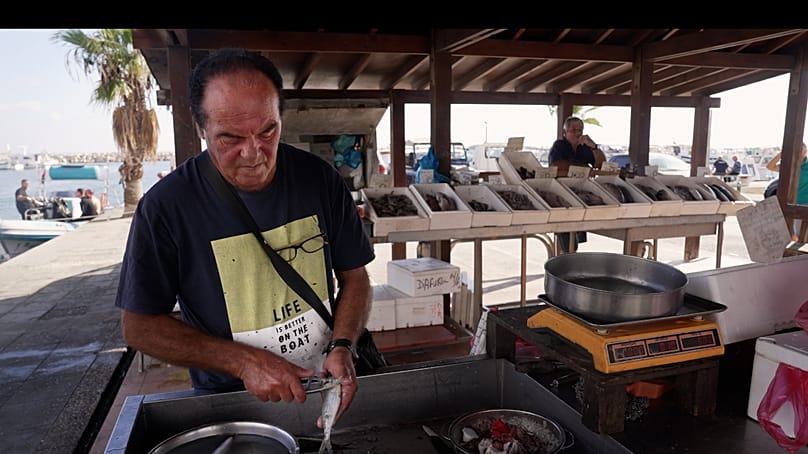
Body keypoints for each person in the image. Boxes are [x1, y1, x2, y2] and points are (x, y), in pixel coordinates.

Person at [114, 48, 375, 427]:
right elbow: (139, 326)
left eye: (268, 131)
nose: (253, 153)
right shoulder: (166, 207)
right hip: (230, 400)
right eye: (230, 138)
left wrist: (342, 345)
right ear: (201, 129)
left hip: (325, 383)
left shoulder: (319, 179)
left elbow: (356, 277)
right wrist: (244, 362)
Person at [547, 116, 604, 254]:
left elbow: (601, 165)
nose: (578, 133)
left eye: (580, 130)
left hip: (581, 193)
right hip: (562, 193)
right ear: (565, 132)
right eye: (573, 130)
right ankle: (562, 258)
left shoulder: (585, 148)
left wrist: (594, 147)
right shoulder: (559, 146)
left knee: (575, 235)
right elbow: (557, 164)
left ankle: (568, 258)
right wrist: (584, 167)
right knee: (565, 236)